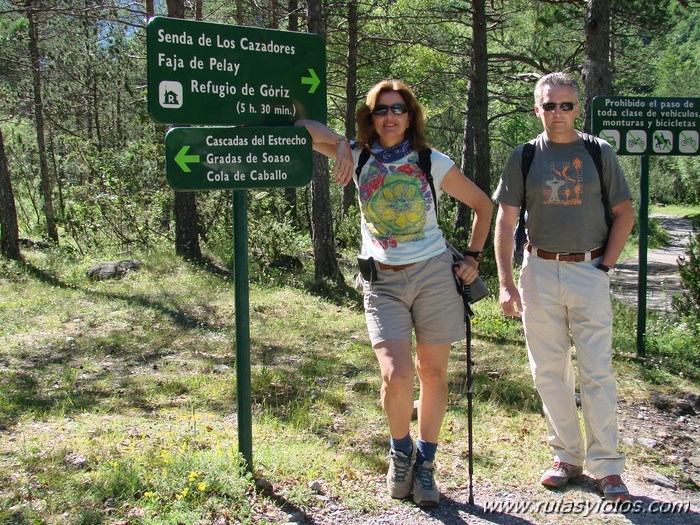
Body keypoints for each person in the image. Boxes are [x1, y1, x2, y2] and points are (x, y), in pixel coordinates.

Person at [296, 79, 492, 507]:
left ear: (410, 115)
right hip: (381, 279)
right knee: (396, 375)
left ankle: (426, 463)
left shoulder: (430, 160)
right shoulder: (360, 155)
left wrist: (473, 258)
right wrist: (344, 144)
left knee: (434, 374)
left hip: (435, 277)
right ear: (371, 116)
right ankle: (400, 452)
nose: (390, 116)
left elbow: (483, 205)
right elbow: (302, 125)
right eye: (381, 109)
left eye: (398, 108)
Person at [493, 72, 635, 502]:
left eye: (566, 105)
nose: (558, 113)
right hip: (538, 271)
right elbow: (505, 220)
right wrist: (504, 282)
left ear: (579, 108)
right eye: (549, 105)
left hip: (588, 270)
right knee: (548, 371)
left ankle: (607, 467)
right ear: (537, 109)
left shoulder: (597, 152)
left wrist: (604, 266)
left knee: (597, 372)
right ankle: (566, 457)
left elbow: (624, 212)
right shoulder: (523, 157)